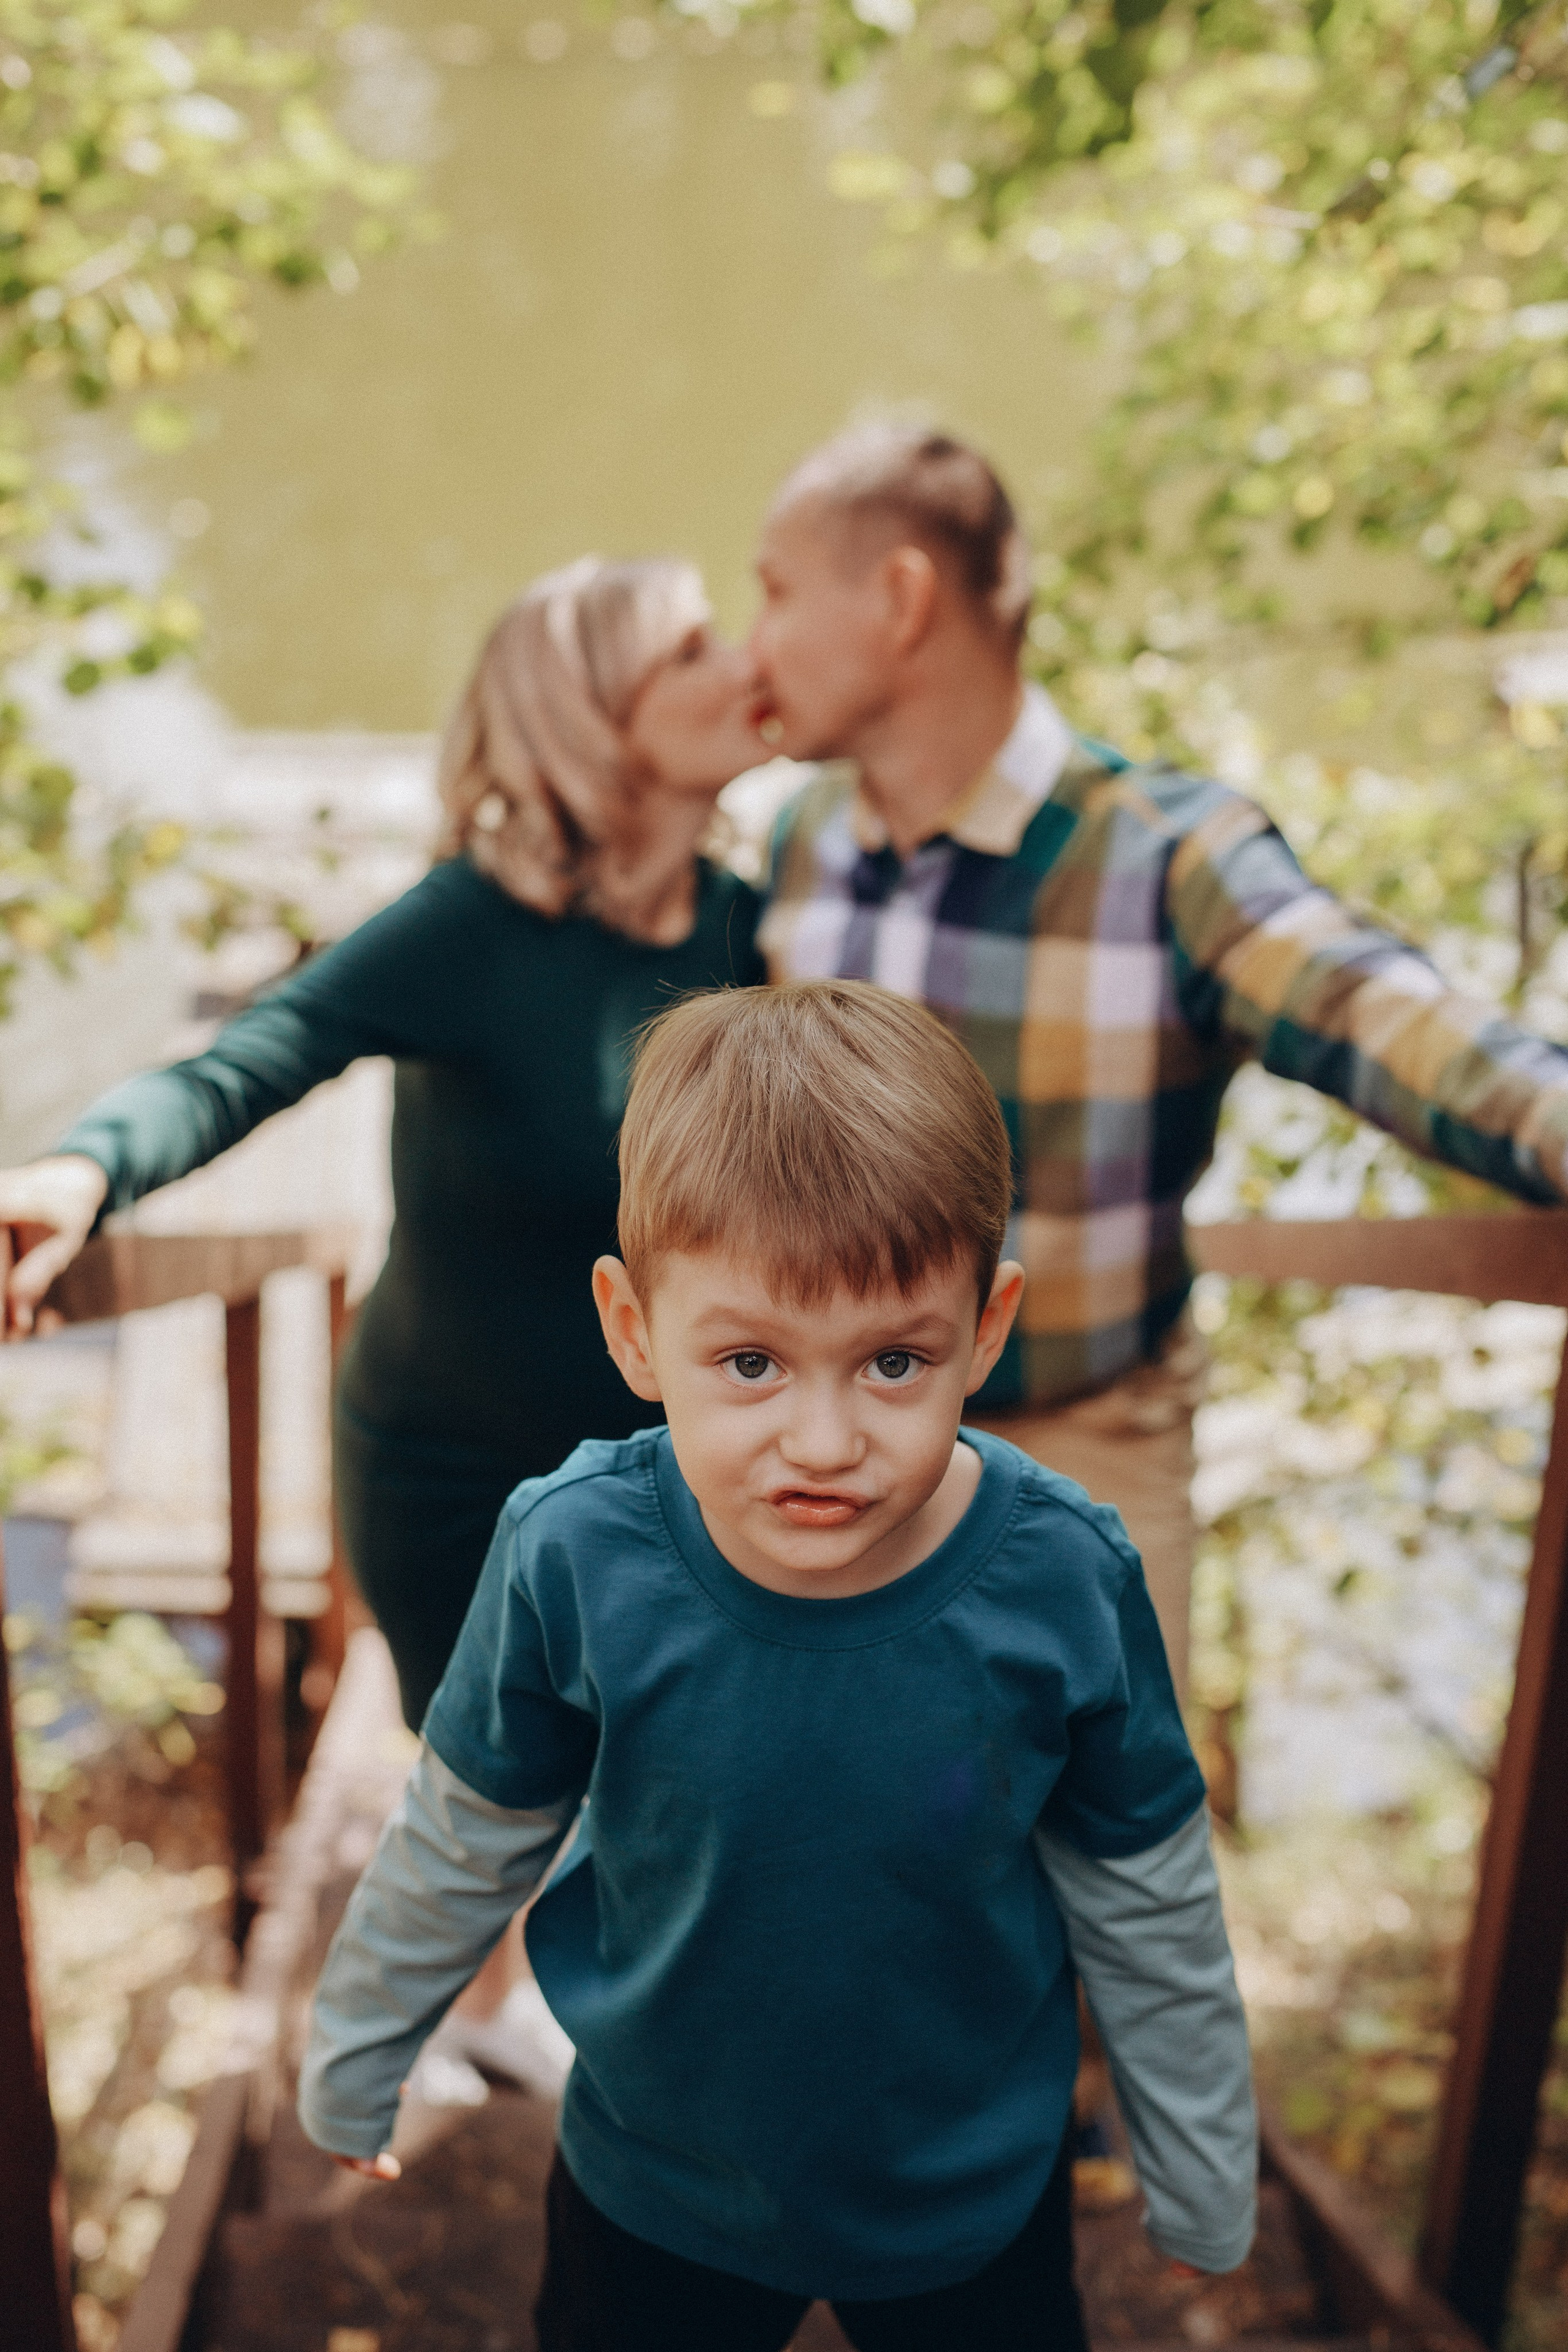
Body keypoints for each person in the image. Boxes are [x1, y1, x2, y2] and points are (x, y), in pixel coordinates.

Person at [298, 981, 1257, 2351]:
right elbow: (466, 1834)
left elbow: (1146, 1899)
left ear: (983, 1331)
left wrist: (1199, 2161)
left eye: (892, 1363)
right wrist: (358, 2049)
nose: (820, 1439)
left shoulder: (1060, 1577)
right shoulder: (575, 1554)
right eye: (749, 1361)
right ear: (634, 1331)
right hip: (653, 2189)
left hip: (970, 2198)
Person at [748, 425, 1568, 1695]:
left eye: (776, 591)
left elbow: (1386, 1020)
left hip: (1081, 1445)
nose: (755, 643)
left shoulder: (1163, 857)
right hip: (821, 1443)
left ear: (900, 600)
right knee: (831, 1863)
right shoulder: (801, 842)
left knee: (1107, 1872)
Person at [0, 556, 763, 1727]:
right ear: (593, 715)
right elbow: (247, 1061)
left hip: (678, 1488)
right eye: (696, 650)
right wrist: (83, 1170)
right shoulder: (471, 924)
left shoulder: (762, 936)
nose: (750, 660)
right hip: (461, 1488)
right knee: (508, 1843)